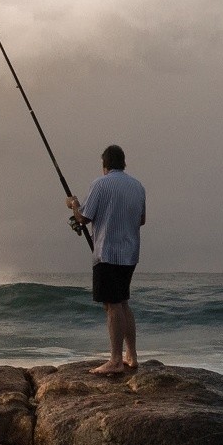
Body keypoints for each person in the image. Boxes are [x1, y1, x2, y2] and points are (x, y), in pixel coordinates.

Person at [66, 144, 146, 375]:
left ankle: (115, 360)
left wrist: (73, 204)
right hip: (130, 253)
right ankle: (131, 355)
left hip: (108, 253)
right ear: (124, 163)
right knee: (122, 302)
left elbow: (83, 217)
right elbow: (141, 219)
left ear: (105, 165)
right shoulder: (138, 186)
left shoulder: (100, 184)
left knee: (112, 305)